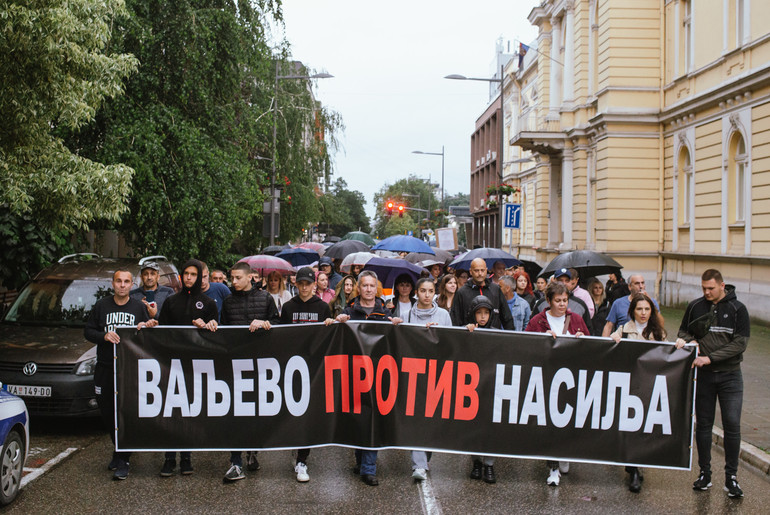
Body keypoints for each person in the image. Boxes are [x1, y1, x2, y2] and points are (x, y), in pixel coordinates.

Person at [676, 269, 749, 499]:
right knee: (704, 425)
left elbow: (740, 344)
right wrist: (689, 340)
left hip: (730, 377)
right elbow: (683, 332)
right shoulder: (695, 306)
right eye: (703, 288)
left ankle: (731, 478)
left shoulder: (738, 309)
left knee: (732, 425)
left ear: (722, 285)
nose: (706, 292)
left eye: (711, 288)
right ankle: (704, 474)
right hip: (704, 377)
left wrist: (711, 357)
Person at [330, 271, 403, 486]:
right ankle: (361, 460)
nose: (369, 289)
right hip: (354, 373)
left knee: (374, 418)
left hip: (379, 373)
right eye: (365, 285)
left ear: (376, 288)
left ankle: (369, 469)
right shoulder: (349, 311)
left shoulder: (385, 312)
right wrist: (338, 322)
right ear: (358, 288)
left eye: (372, 285)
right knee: (358, 418)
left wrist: (397, 326)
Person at [85, 268, 156, 480]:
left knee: (124, 412)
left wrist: (145, 326)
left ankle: (124, 459)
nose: (122, 285)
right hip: (105, 366)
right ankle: (118, 449)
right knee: (107, 412)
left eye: (126, 281)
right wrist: (103, 336)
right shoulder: (101, 306)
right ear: (113, 283)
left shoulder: (137, 307)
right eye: (119, 281)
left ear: (132, 284)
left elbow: (148, 332)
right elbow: (88, 331)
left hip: (128, 368)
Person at [157, 259, 219, 477]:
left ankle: (186, 458)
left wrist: (207, 328)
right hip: (172, 365)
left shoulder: (209, 303)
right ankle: (168, 458)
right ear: (182, 276)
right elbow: (161, 333)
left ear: (200, 276)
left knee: (188, 412)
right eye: (186, 274)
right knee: (170, 413)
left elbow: (216, 336)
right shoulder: (171, 302)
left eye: (194, 274)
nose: (190, 278)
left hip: (195, 365)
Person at [220, 262, 280, 482]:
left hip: (260, 366)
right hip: (235, 366)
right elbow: (223, 330)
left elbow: (278, 324)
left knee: (255, 413)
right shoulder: (227, 302)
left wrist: (265, 322)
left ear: (249, 277)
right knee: (235, 414)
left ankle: (252, 451)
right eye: (232, 278)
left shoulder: (265, 299)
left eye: (237, 278)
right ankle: (235, 462)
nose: (233, 282)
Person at [525, 282, 589, 486]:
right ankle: (552, 467)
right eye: (558, 301)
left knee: (568, 419)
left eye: (565, 300)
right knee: (550, 422)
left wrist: (582, 339)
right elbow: (523, 344)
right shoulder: (538, 321)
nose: (562, 305)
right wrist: (540, 341)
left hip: (571, 379)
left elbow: (592, 344)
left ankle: (564, 453)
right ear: (549, 301)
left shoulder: (576, 319)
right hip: (545, 378)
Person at [279, 267, 333, 483]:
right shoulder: (288, 307)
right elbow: (280, 336)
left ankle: (303, 459)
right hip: (291, 367)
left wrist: (330, 326)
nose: (303, 287)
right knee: (292, 413)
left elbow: (329, 338)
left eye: (307, 284)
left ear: (314, 285)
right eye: (300, 283)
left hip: (314, 368)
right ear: (296, 284)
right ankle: (296, 447)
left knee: (308, 414)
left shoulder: (322, 307)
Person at [610, 292, 667, 493]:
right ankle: (633, 469)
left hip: (649, 386)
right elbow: (610, 350)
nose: (643, 313)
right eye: (639, 309)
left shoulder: (658, 333)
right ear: (632, 311)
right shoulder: (624, 330)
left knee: (644, 428)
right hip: (629, 386)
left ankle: (637, 464)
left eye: (647, 309)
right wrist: (614, 338)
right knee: (630, 426)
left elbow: (667, 358)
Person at [400, 277, 452, 481]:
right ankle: (419, 465)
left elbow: (450, 343)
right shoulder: (406, 315)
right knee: (417, 420)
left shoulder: (443, 315)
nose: (427, 295)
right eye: (423, 291)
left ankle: (425, 456)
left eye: (430, 291)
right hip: (414, 374)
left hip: (437, 374)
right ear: (416, 293)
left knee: (431, 421)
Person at [464, 295, 501, 483]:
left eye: (486, 313)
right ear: (473, 315)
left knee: (490, 427)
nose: (483, 317)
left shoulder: (497, 333)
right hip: (472, 388)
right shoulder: (467, 332)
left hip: (491, 387)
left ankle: (489, 464)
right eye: (479, 313)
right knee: (473, 426)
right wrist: (466, 333)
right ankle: (476, 462)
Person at [450, 258, 514, 330]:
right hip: (469, 337)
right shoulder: (462, 292)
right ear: (471, 271)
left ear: (486, 270)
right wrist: (464, 328)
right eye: (476, 270)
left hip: (493, 337)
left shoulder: (495, 289)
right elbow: (455, 320)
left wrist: (510, 338)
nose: (480, 274)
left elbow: (507, 318)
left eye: (482, 270)